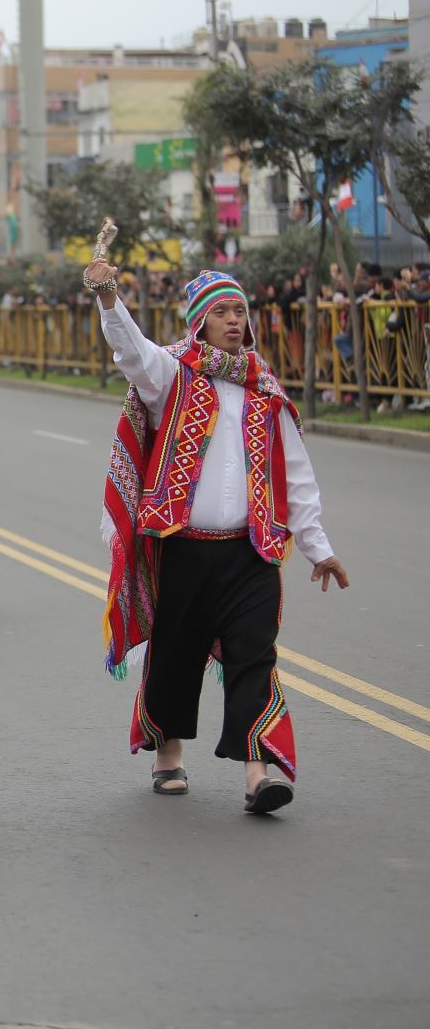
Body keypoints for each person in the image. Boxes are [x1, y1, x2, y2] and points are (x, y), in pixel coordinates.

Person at [86, 264, 349, 815]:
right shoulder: (171, 376)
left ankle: (258, 774)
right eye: (222, 312)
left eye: (240, 312)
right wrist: (110, 298)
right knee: (176, 654)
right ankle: (169, 753)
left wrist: (318, 547)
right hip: (185, 547)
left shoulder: (265, 390)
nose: (234, 321)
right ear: (200, 322)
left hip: (252, 551)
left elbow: (294, 475)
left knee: (254, 655)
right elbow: (132, 351)